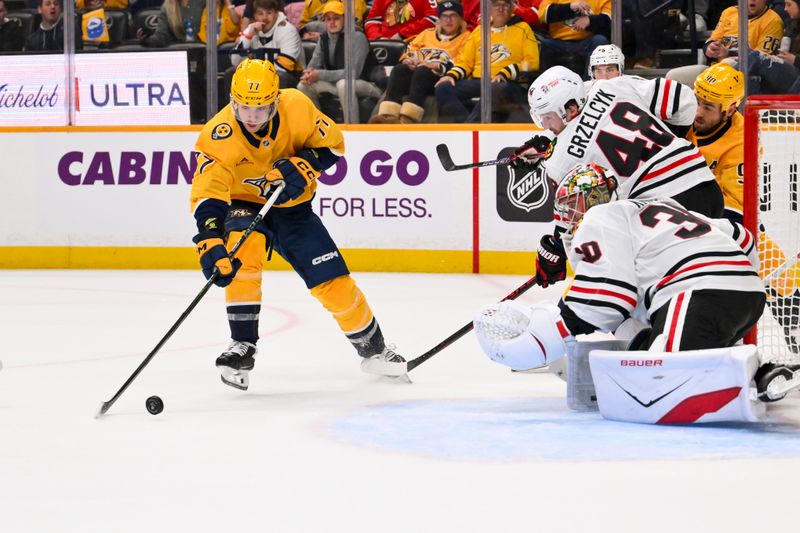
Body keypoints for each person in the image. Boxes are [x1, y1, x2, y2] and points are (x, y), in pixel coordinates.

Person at [474, 163, 768, 423]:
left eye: (574, 204)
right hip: (748, 297)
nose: (569, 214)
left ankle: (761, 380)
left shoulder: (601, 217)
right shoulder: (662, 209)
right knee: (645, 343)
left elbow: (607, 297)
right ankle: (752, 372)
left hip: (697, 292)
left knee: (660, 386)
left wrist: (548, 334)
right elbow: (742, 238)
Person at [190, 58, 404, 389]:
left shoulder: (297, 106)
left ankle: (374, 349)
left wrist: (301, 166)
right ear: (232, 101)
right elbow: (209, 192)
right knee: (241, 256)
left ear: (275, 100)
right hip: (244, 204)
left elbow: (333, 147)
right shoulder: (219, 135)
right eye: (244, 107)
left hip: (293, 209)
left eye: (260, 109)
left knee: (333, 282)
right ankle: (242, 344)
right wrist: (209, 239)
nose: (251, 117)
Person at [515, 65, 723, 288]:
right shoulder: (613, 85)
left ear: (571, 108)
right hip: (706, 185)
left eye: (548, 117)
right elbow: (683, 100)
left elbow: (574, 213)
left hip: (667, 213)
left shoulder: (560, 162)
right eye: (541, 119)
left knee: (662, 293)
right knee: (709, 277)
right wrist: (670, 143)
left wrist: (555, 250)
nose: (545, 125)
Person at [687, 61, 800, 354]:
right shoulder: (680, 114)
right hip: (670, 215)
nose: (698, 111)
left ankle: (794, 313)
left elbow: (737, 214)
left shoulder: (740, 142)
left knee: (782, 272)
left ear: (729, 108)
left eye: (708, 107)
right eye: (697, 100)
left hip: (713, 223)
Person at [434, 0, 540, 123]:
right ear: (488, 8)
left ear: (512, 8)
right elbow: (465, 62)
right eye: (496, 4)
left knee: (494, 88)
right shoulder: (480, 30)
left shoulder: (523, 28)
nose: (500, 9)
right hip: (480, 81)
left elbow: (532, 62)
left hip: (508, 83)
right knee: (443, 88)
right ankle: (467, 126)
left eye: (505, 4)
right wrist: (451, 75)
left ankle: (470, 128)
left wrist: (505, 73)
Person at [370, 0, 470, 124]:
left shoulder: (467, 37)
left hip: (441, 76)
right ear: (439, 19)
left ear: (461, 19)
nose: (448, 20)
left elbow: (464, 61)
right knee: (400, 69)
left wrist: (437, 65)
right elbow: (411, 49)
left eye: (453, 16)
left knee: (422, 72)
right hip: (418, 69)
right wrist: (409, 59)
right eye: (444, 16)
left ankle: (409, 117)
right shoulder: (427, 33)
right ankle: (387, 115)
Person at [665, 0, 783, 86]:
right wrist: (710, 48)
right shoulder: (729, 12)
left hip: (746, 75)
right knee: (673, 77)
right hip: (716, 70)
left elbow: (762, 58)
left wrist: (728, 53)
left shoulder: (773, 20)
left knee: (728, 62)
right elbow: (711, 40)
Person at [296, 1, 381, 121]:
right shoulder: (324, 38)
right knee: (303, 86)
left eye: (336, 18)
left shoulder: (357, 37)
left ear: (345, 19)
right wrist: (308, 73)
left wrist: (319, 74)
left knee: (344, 85)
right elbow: (314, 64)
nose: (332, 22)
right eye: (328, 19)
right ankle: (320, 127)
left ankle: (353, 130)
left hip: (367, 84)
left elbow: (353, 73)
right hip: (337, 83)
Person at [229, 0, 304, 90]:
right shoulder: (252, 30)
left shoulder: (288, 30)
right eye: (260, 13)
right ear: (255, 16)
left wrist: (255, 72)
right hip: (259, 73)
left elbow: (283, 67)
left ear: (276, 14)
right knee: (233, 73)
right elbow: (235, 62)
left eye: (269, 13)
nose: (264, 18)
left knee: (278, 77)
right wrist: (248, 36)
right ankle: (235, 104)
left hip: (292, 78)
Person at [536, 0, 611, 79]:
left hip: (587, 43)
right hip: (558, 42)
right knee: (543, 44)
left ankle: (589, 86)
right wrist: (569, 7)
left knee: (600, 41)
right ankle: (547, 87)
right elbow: (542, 15)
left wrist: (590, 20)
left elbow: (610, 19)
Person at [741, 0, 800, 95]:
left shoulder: (775, 20)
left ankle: (727, 83)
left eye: (789, 4)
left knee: (757, 57)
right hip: (789, 70)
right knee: (754, 77)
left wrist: (795, 59)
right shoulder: (792, 24)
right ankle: (745, 106)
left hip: (796, 72)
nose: (785, 9)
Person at [364, 0, 437, 41]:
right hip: (383, 42)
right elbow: (372, 21)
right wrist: (378, 38)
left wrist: (402, 34)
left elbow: (433, 19)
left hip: (415, 42)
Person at [298, 0, 367, 41]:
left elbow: (354, 27)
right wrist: (305, 34)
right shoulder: (310, 1)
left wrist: (325, 37)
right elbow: (302, 25)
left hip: (345, 43)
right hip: (315, 43)